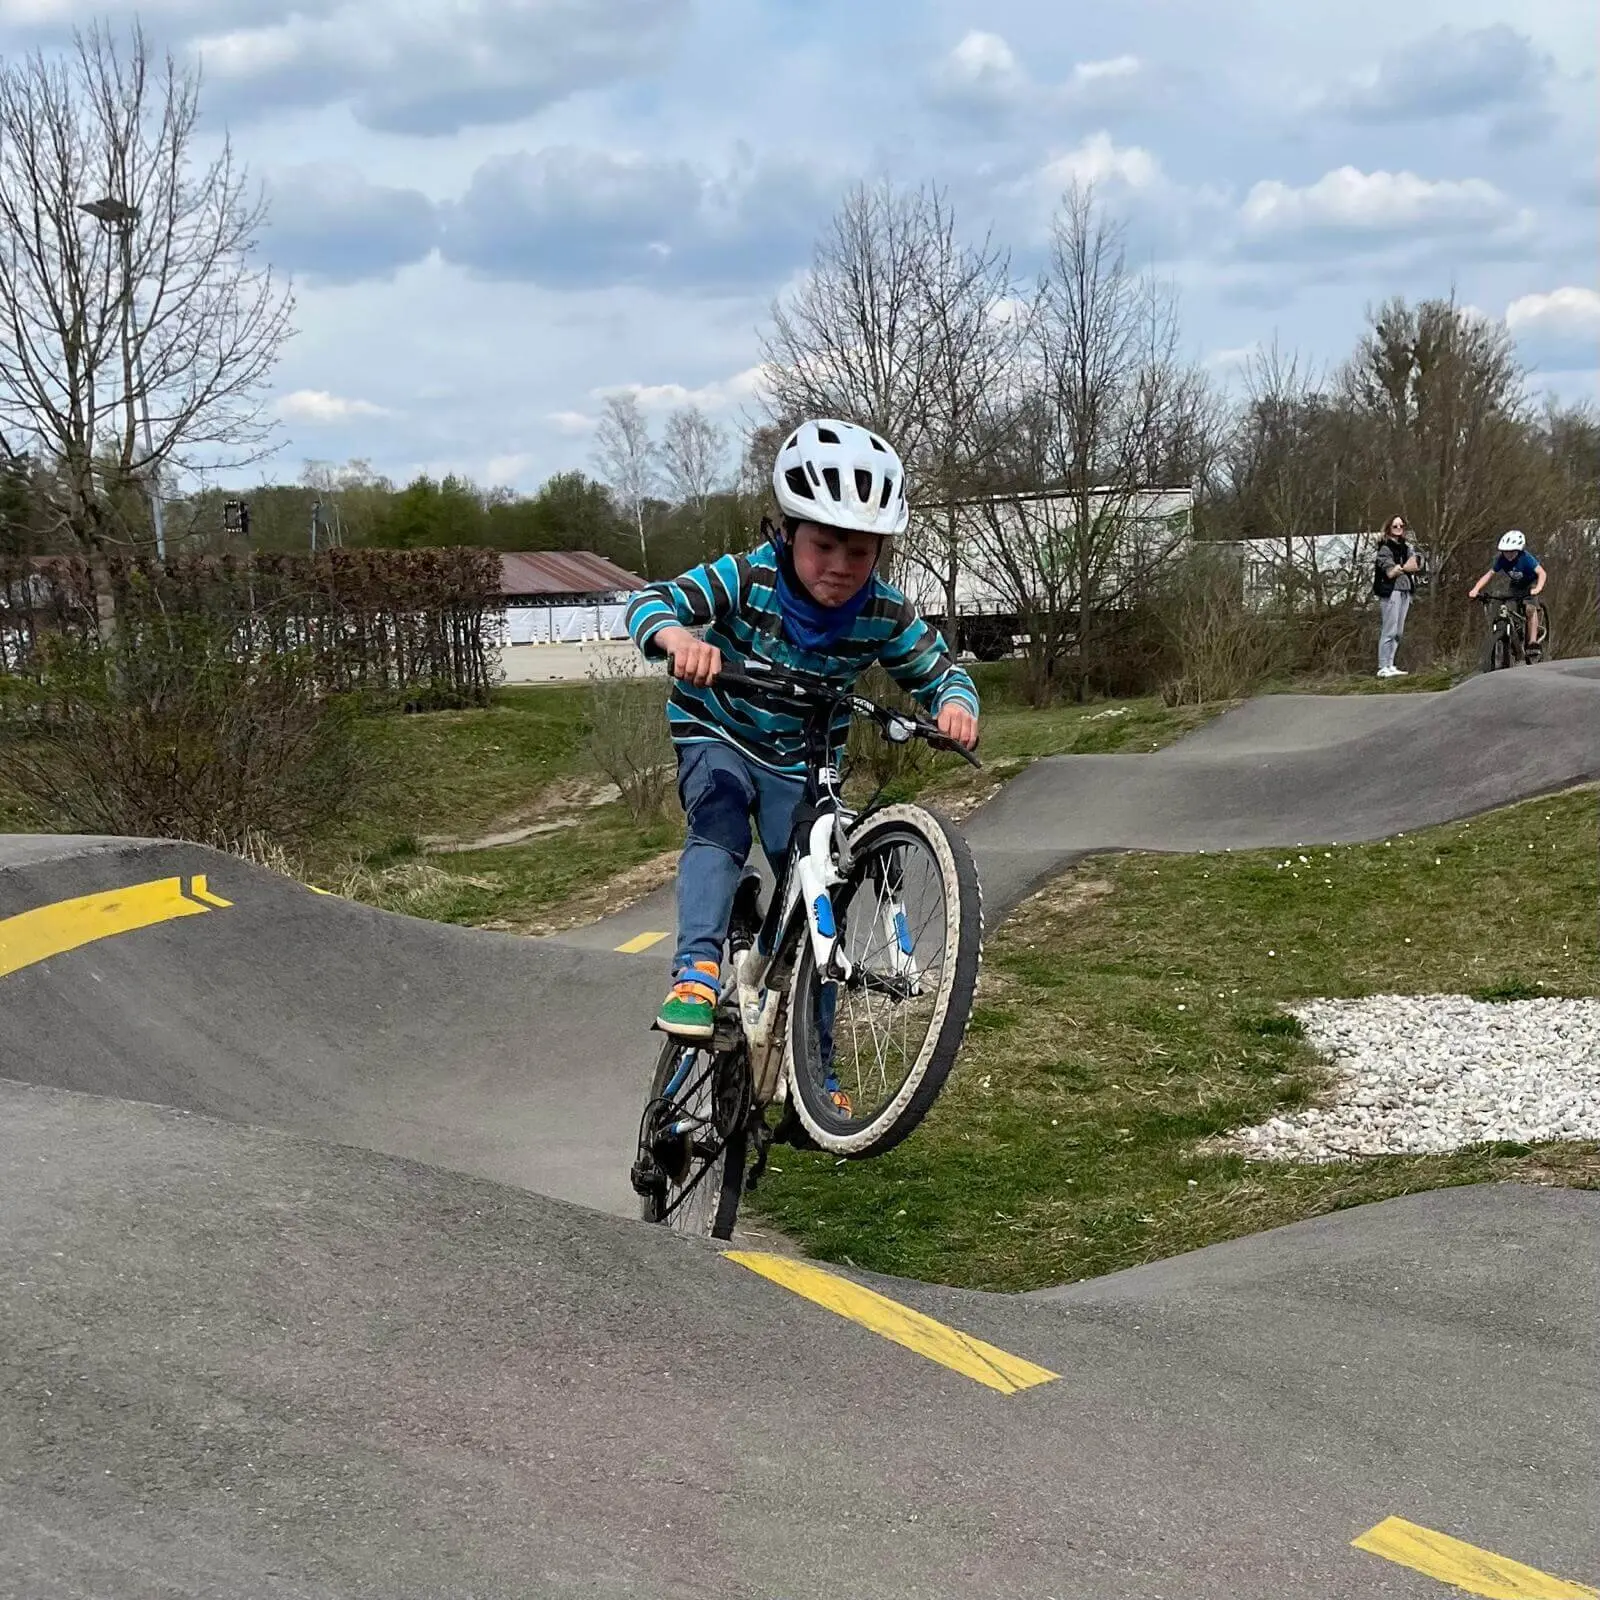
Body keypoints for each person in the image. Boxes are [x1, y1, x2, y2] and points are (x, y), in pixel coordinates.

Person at [625, 419, 981, 1098]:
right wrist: (678, 640)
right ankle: (696, 974)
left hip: (800, 761)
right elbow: (652, 602)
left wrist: (955, 706)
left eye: (861, 551)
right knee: (720, 814)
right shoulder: (748, 575)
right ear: (788, 532)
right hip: (718, 730)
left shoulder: (883, 613)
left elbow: (942, 672)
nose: (840, 566)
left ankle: (816, 1068)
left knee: (819, 899)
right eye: (824, 546)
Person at [1468, 530, 1547, 660]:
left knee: (1530, 609)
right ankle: (1514, 634)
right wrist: (1476, 589)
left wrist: (1538, 588)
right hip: (1516, 585)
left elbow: (1542, 573)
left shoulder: (1526, 559)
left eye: (1512, 552)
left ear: (1519, 551)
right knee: (1507, 606)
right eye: (1505, 552)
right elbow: (1490, 574)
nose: (1508, 555)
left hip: (1530, 584)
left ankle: (1533, 641)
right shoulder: (1502, 560)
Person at [1372, 514, 1422, 678]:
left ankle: (1391, 664)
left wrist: (1405, 567)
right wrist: (1403, 567)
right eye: (1395, 526)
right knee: (1389, 629)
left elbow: (1415, 565)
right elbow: (1390, 572)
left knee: (1399, 631)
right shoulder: (1385, 548)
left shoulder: (1406, 547)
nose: (1399, 528)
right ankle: (1382, 666)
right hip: (1390, 591)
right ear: (1389, 528)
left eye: (1401, 526)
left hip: (1405, 590)